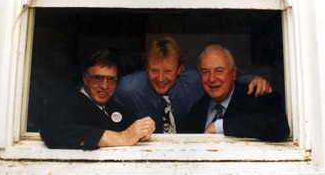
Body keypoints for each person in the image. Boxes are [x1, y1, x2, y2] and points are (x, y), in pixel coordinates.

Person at [113, 37, 272, 133]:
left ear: (180, 70)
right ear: (145, 69)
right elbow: (102, 90)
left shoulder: (197, 81)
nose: (160, 78)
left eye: (168, 71)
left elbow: (226, 77)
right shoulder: (128, 88)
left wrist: (254, 78)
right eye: (154, 70)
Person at [40, 49, 155, 149]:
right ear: (85, 79)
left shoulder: (117, 108)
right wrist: (122, 138)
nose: (104, 86)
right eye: (98, 78)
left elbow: (133, 131)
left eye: (111, 79)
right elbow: (52, 131)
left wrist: (144, 129)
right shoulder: (67, 103)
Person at [185, 45, 290, 142]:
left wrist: (220, 126)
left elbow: (279, 127)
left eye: (219, 70)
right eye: (205, 72)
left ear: (233, 73)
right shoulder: (196, 111)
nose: (212, 79)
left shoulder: (256, 96)